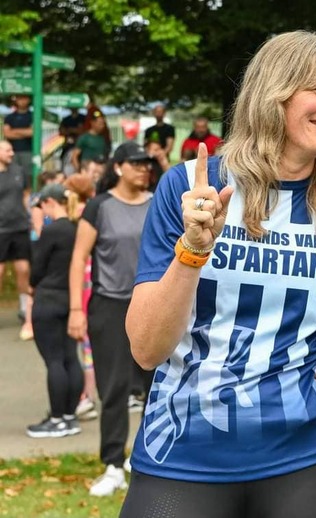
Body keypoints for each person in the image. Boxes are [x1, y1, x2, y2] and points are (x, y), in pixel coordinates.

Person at [120, 31, 316, 518]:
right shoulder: (192, 187)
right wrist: (193, 251)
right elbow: (146, 348)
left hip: (304, 462)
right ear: (273, 92)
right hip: (182, 455)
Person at [67, 141, 155, 496]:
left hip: (151, 305)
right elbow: (78, 259)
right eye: (135, 163)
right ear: (118, 167)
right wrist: (76, 309)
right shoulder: (99, 206)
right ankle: (114, 464)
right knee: (115, 388)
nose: (143, 169)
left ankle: (147, 457)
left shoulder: (156, 202)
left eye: (146, 164)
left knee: (156, 387)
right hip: (109, 305)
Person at [26, 176, 94, 438]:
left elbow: (37, 268)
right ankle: (69, 415)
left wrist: (33, 285)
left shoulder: (52, 230)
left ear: (50, 202)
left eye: (42, 206)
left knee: (54, 360)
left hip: (48, 297)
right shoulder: (78, 228)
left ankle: (56, 419)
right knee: (70, 357)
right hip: (71, 297)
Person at [0, 139, 32, 339]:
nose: (12, 153)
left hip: (19, 226)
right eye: (7, 150)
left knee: (24, 269)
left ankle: (24, 308)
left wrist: (30, 217)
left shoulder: (19, 171)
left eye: (12, 149)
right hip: (1, 229)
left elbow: (26, 195)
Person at [3, 94, 33, 184]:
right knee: (11, 175)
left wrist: (14, 131)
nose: (22, 101)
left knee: (28, 176)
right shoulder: (9, 117)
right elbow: (7, 134)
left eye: (24, 98)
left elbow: (32, 132)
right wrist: (25, 132)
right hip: (12, 152)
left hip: (28, 151)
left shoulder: (33, 116)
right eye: (20, 98)